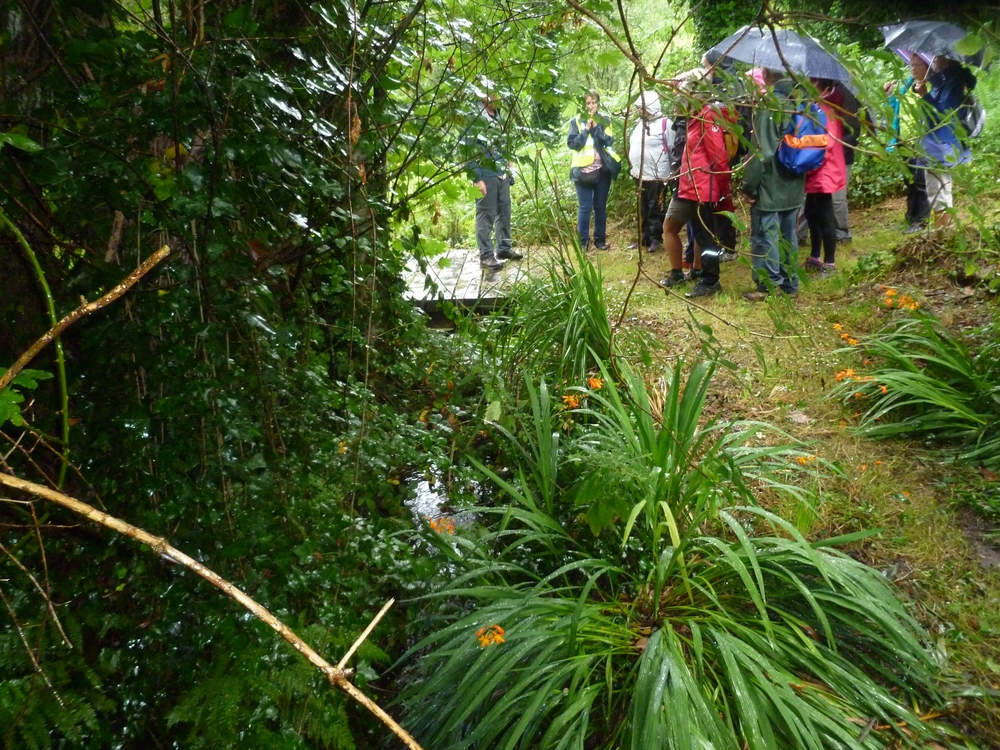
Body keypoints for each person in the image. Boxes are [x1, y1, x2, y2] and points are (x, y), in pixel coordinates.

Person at [658, 72, 737, 299]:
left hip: (703, 188)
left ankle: (711, 281)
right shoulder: (696, 116)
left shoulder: (707, 116)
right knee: (699, 235)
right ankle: (701, 276)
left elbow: (719, 156)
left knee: (706, 236)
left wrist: (721, 190)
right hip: (691, 186)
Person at [740, 68, 806, 301]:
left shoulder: (771, 105)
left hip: (770, 183)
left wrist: (748, 185)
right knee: (789, 235)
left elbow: (763, 151)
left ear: (766, 73)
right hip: (794, 180)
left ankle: (767, 286)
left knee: (765, 234)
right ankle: (790, 284)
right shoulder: (801, 102)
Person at [915, 54, 976, 231]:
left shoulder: (952, 84)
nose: (931, 63)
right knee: (937, 190)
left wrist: (925, 95)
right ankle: (943, 232)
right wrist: (925, 86)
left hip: (940, 146)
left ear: (944, 62)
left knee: (939, 191)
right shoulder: (945, 82)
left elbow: (940, 117)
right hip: (935, 145)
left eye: (934, 60)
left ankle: (943, 234)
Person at [468, 95, 521, 270]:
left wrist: (510, 165)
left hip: (502, 173)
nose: (498, 96)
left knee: (504, 212)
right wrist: (476, 178)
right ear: (483, 94)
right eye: (493, 92)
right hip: (483, 175)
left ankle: (504, 249)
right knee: (485, 214)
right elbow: (467, 150)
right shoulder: (472, 116)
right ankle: (486, 256)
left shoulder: (499, 116)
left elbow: (505, 145)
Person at [802, 79, 846, 275]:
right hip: (814, 169)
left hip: (823, 170)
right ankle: (815, 256)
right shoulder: (815, 107)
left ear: (817, 83)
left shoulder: (826, 109)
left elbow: (826, 143)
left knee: (825, 216)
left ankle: (830, 262)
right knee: (811, 213)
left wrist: (805, 158)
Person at [885, 54, 932, 233]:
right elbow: (895, 108)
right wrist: (890, 94)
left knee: (921, 181)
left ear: (927, 65)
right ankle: (911, 216)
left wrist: (924, 93)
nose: (913, 68)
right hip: (903, 142)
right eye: (911, 64)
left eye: (917, 65)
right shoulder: (906, 84)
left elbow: (934, 111)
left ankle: (921, 221)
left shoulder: (932, 86)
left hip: (922, 142)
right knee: (910, 181)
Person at [567, 90, 619, 250]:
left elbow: (608, 141)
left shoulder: (605, 120)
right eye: (588, 103)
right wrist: (585, 130)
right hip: (582, 171)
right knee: (584, 208)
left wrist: (596, 128)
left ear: (598, 103)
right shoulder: (576, 121)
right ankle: (583, 242)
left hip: (602, 171)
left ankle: (600, 240)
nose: (591, 106)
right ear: (583, 105)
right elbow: (573, 144)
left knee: (600, 206)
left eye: (594, 102)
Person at [627, 91, 673, 253]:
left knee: (655, 208)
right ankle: (644, 238)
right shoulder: (641, 124)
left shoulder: (665, 123)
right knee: (643, 208)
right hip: (640, 175)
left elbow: (673, 148)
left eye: (643, 108)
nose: (640, 111)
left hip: (657, 176)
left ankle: (655, 239)